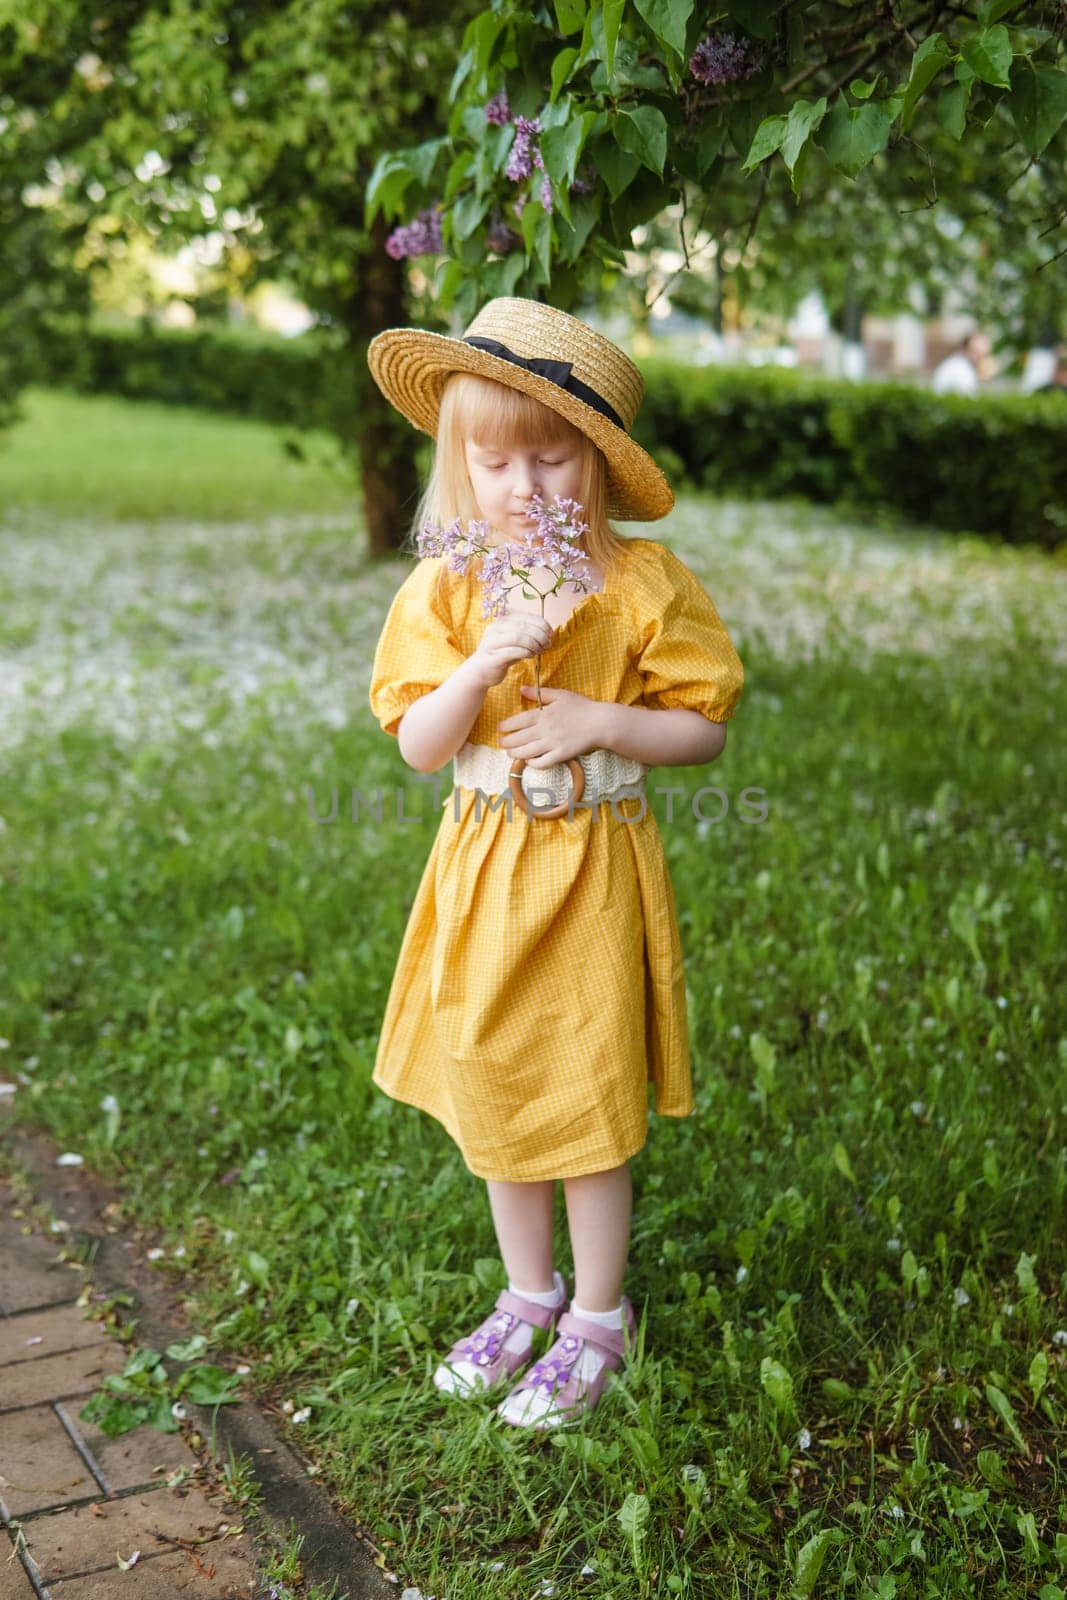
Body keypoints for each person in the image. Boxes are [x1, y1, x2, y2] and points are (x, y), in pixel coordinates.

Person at [364, 296, 744, 1430]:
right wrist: (479, 666)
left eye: (552, 457)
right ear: (460, 470)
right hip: (481, 870)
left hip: (590, 867)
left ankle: (597, 1315)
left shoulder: (641, 585)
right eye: (495, 463)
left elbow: (702, 727)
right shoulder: (449, 587)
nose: (524, 486)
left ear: (600, 464)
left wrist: (600, 721)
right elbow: (420, 745)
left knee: (581, 1081)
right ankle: (526, 1293)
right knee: (489, 1065)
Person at [930, 329, 991, 395]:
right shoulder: (960, 369)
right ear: (965, 349)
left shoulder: (957, 364)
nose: (980, 359)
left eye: (983, 355)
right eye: (977, 353)